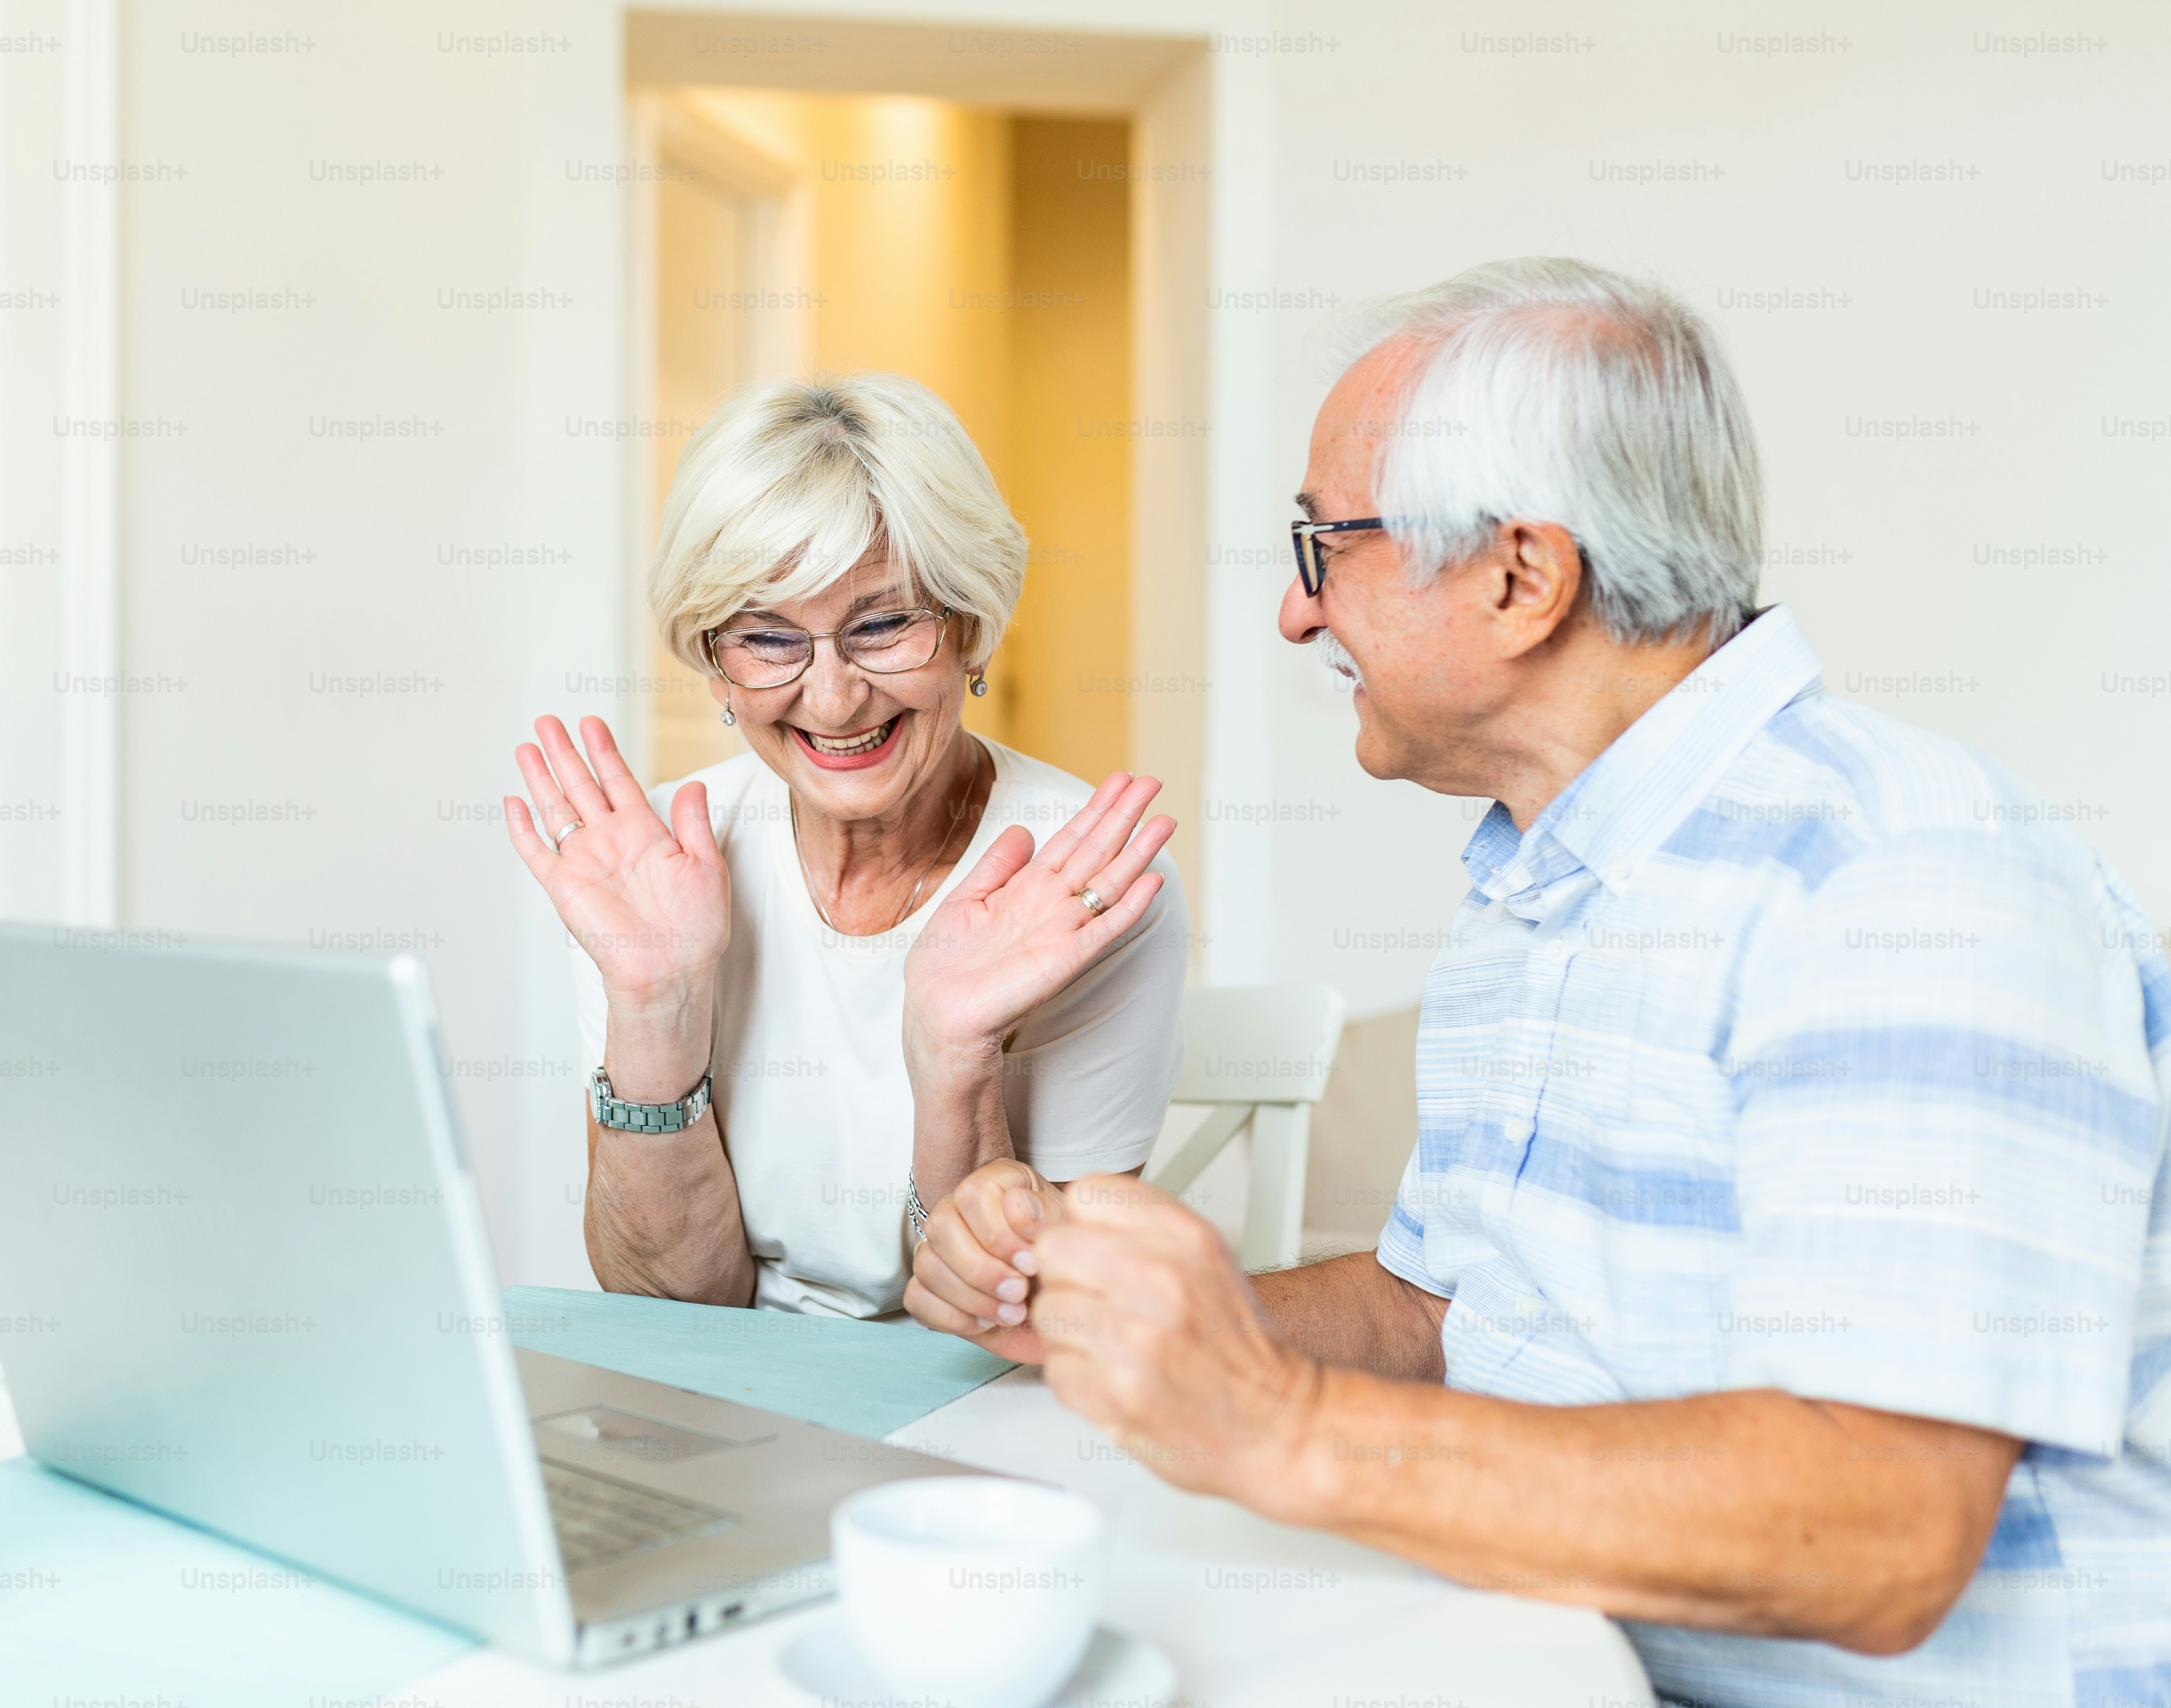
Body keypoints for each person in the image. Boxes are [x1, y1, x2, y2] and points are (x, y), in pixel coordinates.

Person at [909, 258, 2171, 1706]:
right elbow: (1439, 1313)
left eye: (1322, 547)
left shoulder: (1901, 881)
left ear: (1520, 578)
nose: (1292, 614)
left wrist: (1275, 1421)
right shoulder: (1533, 877)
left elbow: (1879, 1528)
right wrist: (1110, 1292)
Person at [504, 372, 1186, 1318]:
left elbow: (1019, 1315)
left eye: (883, 624)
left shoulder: (1084, 881)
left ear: (971, 628)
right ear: (715, 666)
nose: (832, 701)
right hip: (739, 1398)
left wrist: (956, 1056)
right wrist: (655, 1002)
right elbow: (671, 1299)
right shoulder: (647, 867)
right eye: (768, 638)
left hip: (978, 1398)